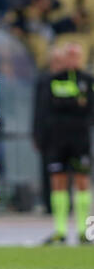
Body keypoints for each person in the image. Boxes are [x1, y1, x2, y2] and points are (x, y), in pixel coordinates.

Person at [42, 42, 94, 244]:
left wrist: (68, 103)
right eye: (69, 55)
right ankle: (60, 231)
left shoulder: (88, 80)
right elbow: (50, 106)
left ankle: (84, 231)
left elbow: (89, 107)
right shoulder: (53, 80)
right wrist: (75, 102)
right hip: (57, 140)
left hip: (80, 138)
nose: (72, 59)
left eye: (76, 55)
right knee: (58, 182)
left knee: (82, 181)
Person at [33, 44, 67, 214]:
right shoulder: (43, 80)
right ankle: (49, 205)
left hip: (66, 134)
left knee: (65, 172)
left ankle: (66, 205)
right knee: (48, 171)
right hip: (47, 134)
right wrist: (36, 134)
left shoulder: (68, 80)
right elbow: (38, 109)